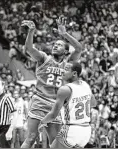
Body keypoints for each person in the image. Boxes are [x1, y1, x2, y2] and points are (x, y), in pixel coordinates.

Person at [20, 16, 82, 148]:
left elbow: (79, 48)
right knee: (31, 138)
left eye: (59, 45)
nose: (55, 46)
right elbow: (29, 49)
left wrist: (64, 34)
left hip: (56, 105)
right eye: (54, 44)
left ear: (66, 51)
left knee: (56, 142)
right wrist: (31, 32)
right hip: (40, 101)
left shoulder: (68, 64)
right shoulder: (44, 58)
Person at [38, 62, 97, 148]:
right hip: (86, 131)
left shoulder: (65, 89)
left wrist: (42, 122)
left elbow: (53, 115)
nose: (62, 71)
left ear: (74, 73)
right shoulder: (85, 85)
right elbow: (93, 103)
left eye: (66, 69)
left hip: (72, 130)